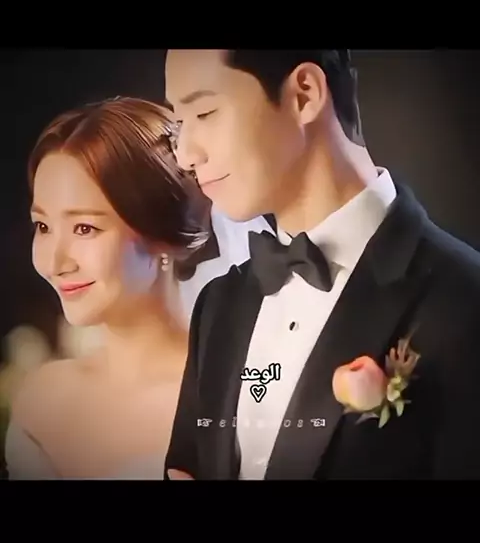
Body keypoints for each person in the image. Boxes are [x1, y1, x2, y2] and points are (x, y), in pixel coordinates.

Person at [164, 49, 480, 480]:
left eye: (205, 113)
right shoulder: (219, 305)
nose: (185, 155)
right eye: (179, 124)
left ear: (304, 95)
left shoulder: (463, 300)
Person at [5, 96, 268, 479]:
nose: (55, 262)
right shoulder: (42, 398)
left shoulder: (233, 396)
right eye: (43, 226)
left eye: (85, 228)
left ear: (161, 234)